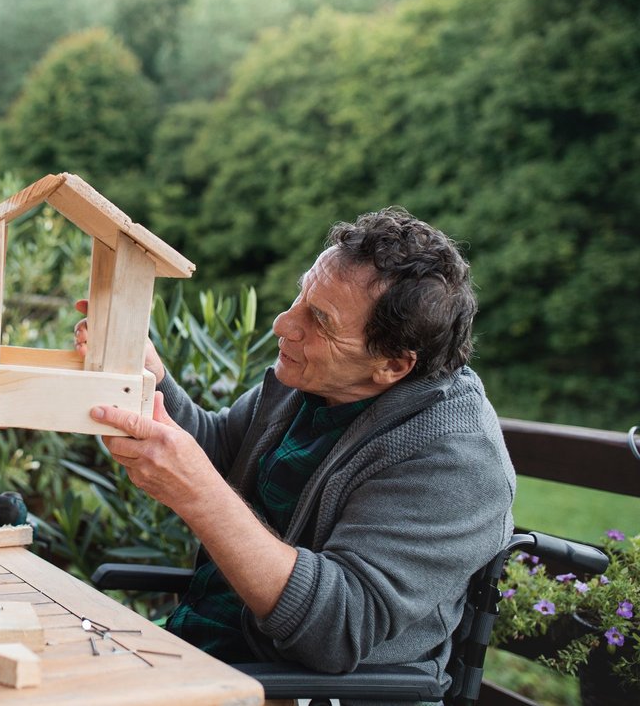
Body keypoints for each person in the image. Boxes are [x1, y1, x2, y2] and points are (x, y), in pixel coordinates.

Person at [82, 207, 515, 685]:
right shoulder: (314, 379)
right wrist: (147, 380)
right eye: (300, 295)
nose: (283, 324)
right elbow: (221, 454)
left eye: (320, 320)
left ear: (392, 365)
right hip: (199, 649)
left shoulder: (455, 460)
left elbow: (336, 628)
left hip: (290, 686)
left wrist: (197, 494)